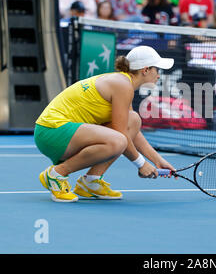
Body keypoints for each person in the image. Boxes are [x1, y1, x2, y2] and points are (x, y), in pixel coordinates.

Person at [35, 46, 176, 202]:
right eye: (157, 69)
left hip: (63, 133)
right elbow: (121, 135)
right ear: (145, 70)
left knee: (133, 120)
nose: (158, 75)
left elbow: (131, 131)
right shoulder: (122, 85)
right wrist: (141, 164)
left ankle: (91, 182)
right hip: (51, 131)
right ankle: (56, 174)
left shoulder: (123, 83)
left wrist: (157, 160)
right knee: (118, 140)